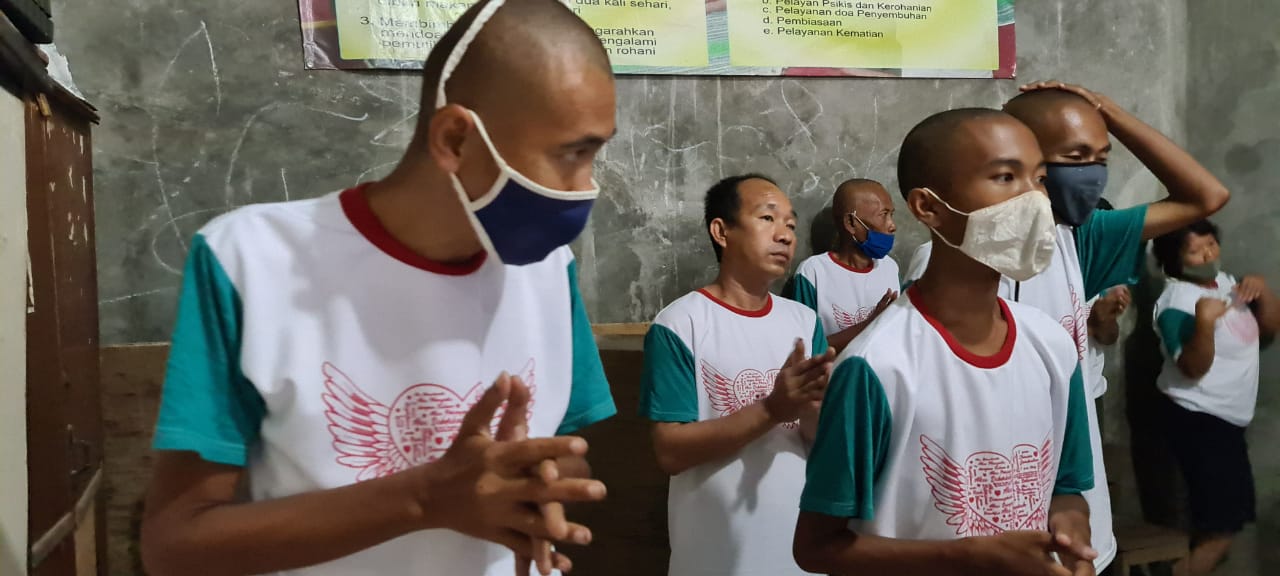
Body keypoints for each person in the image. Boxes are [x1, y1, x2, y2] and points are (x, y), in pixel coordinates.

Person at [139, 2, 619, 575]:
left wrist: (533, 483)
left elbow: (569, 461)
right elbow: (176, 545)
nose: (586, 187)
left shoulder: (549, 271)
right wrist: (426, 498)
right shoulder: (250, 260)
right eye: (572, 154)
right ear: (455, 139)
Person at [902, 82, 1231, 573]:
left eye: (1102, 158)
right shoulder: (947, 263)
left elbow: (1206, 195)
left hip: (1075, 507)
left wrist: (1111, 111)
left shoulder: (1077, 241)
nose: (1093, 174)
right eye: (1076, 158)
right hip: (985, 510)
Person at [793, 108, 1096, 576]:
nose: (1035, 199)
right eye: (1005, 177)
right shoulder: (877, 367)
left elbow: (1067, 488)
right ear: (928, 207)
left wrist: (1072, 536)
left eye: (1038, 179)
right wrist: (970, 556)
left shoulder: (1052, 346)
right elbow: (817, 548)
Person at [639, 174, 836, 576]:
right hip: (717, 553)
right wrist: (772, 409)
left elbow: (816, 438)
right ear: (721, 231)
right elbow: (670, 451)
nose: (785, 235)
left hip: (797, 547)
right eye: (767, 218)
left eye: (791, 224)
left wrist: (814, 410)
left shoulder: (804, 321)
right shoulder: (681, 324)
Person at [1151, 221, 1280, 576]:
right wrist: (1204, 324)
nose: (1208, 255)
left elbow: (1270, 329)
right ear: (1175, 260)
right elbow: (1193, 368)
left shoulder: (1225, 282)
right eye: (1196, 251)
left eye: (1211, 244)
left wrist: (1263, 291)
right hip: (1198, 420)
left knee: (1219, 528)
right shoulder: (1175, 302)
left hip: (1226, 422)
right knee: (1220, 532)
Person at [785, 178, 900, 352]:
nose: (892, 225)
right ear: (851, 223)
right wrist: (872, 322)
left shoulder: (890, 268)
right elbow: (806, 348)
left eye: (892, 215)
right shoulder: (813, 272)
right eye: (883, 215)